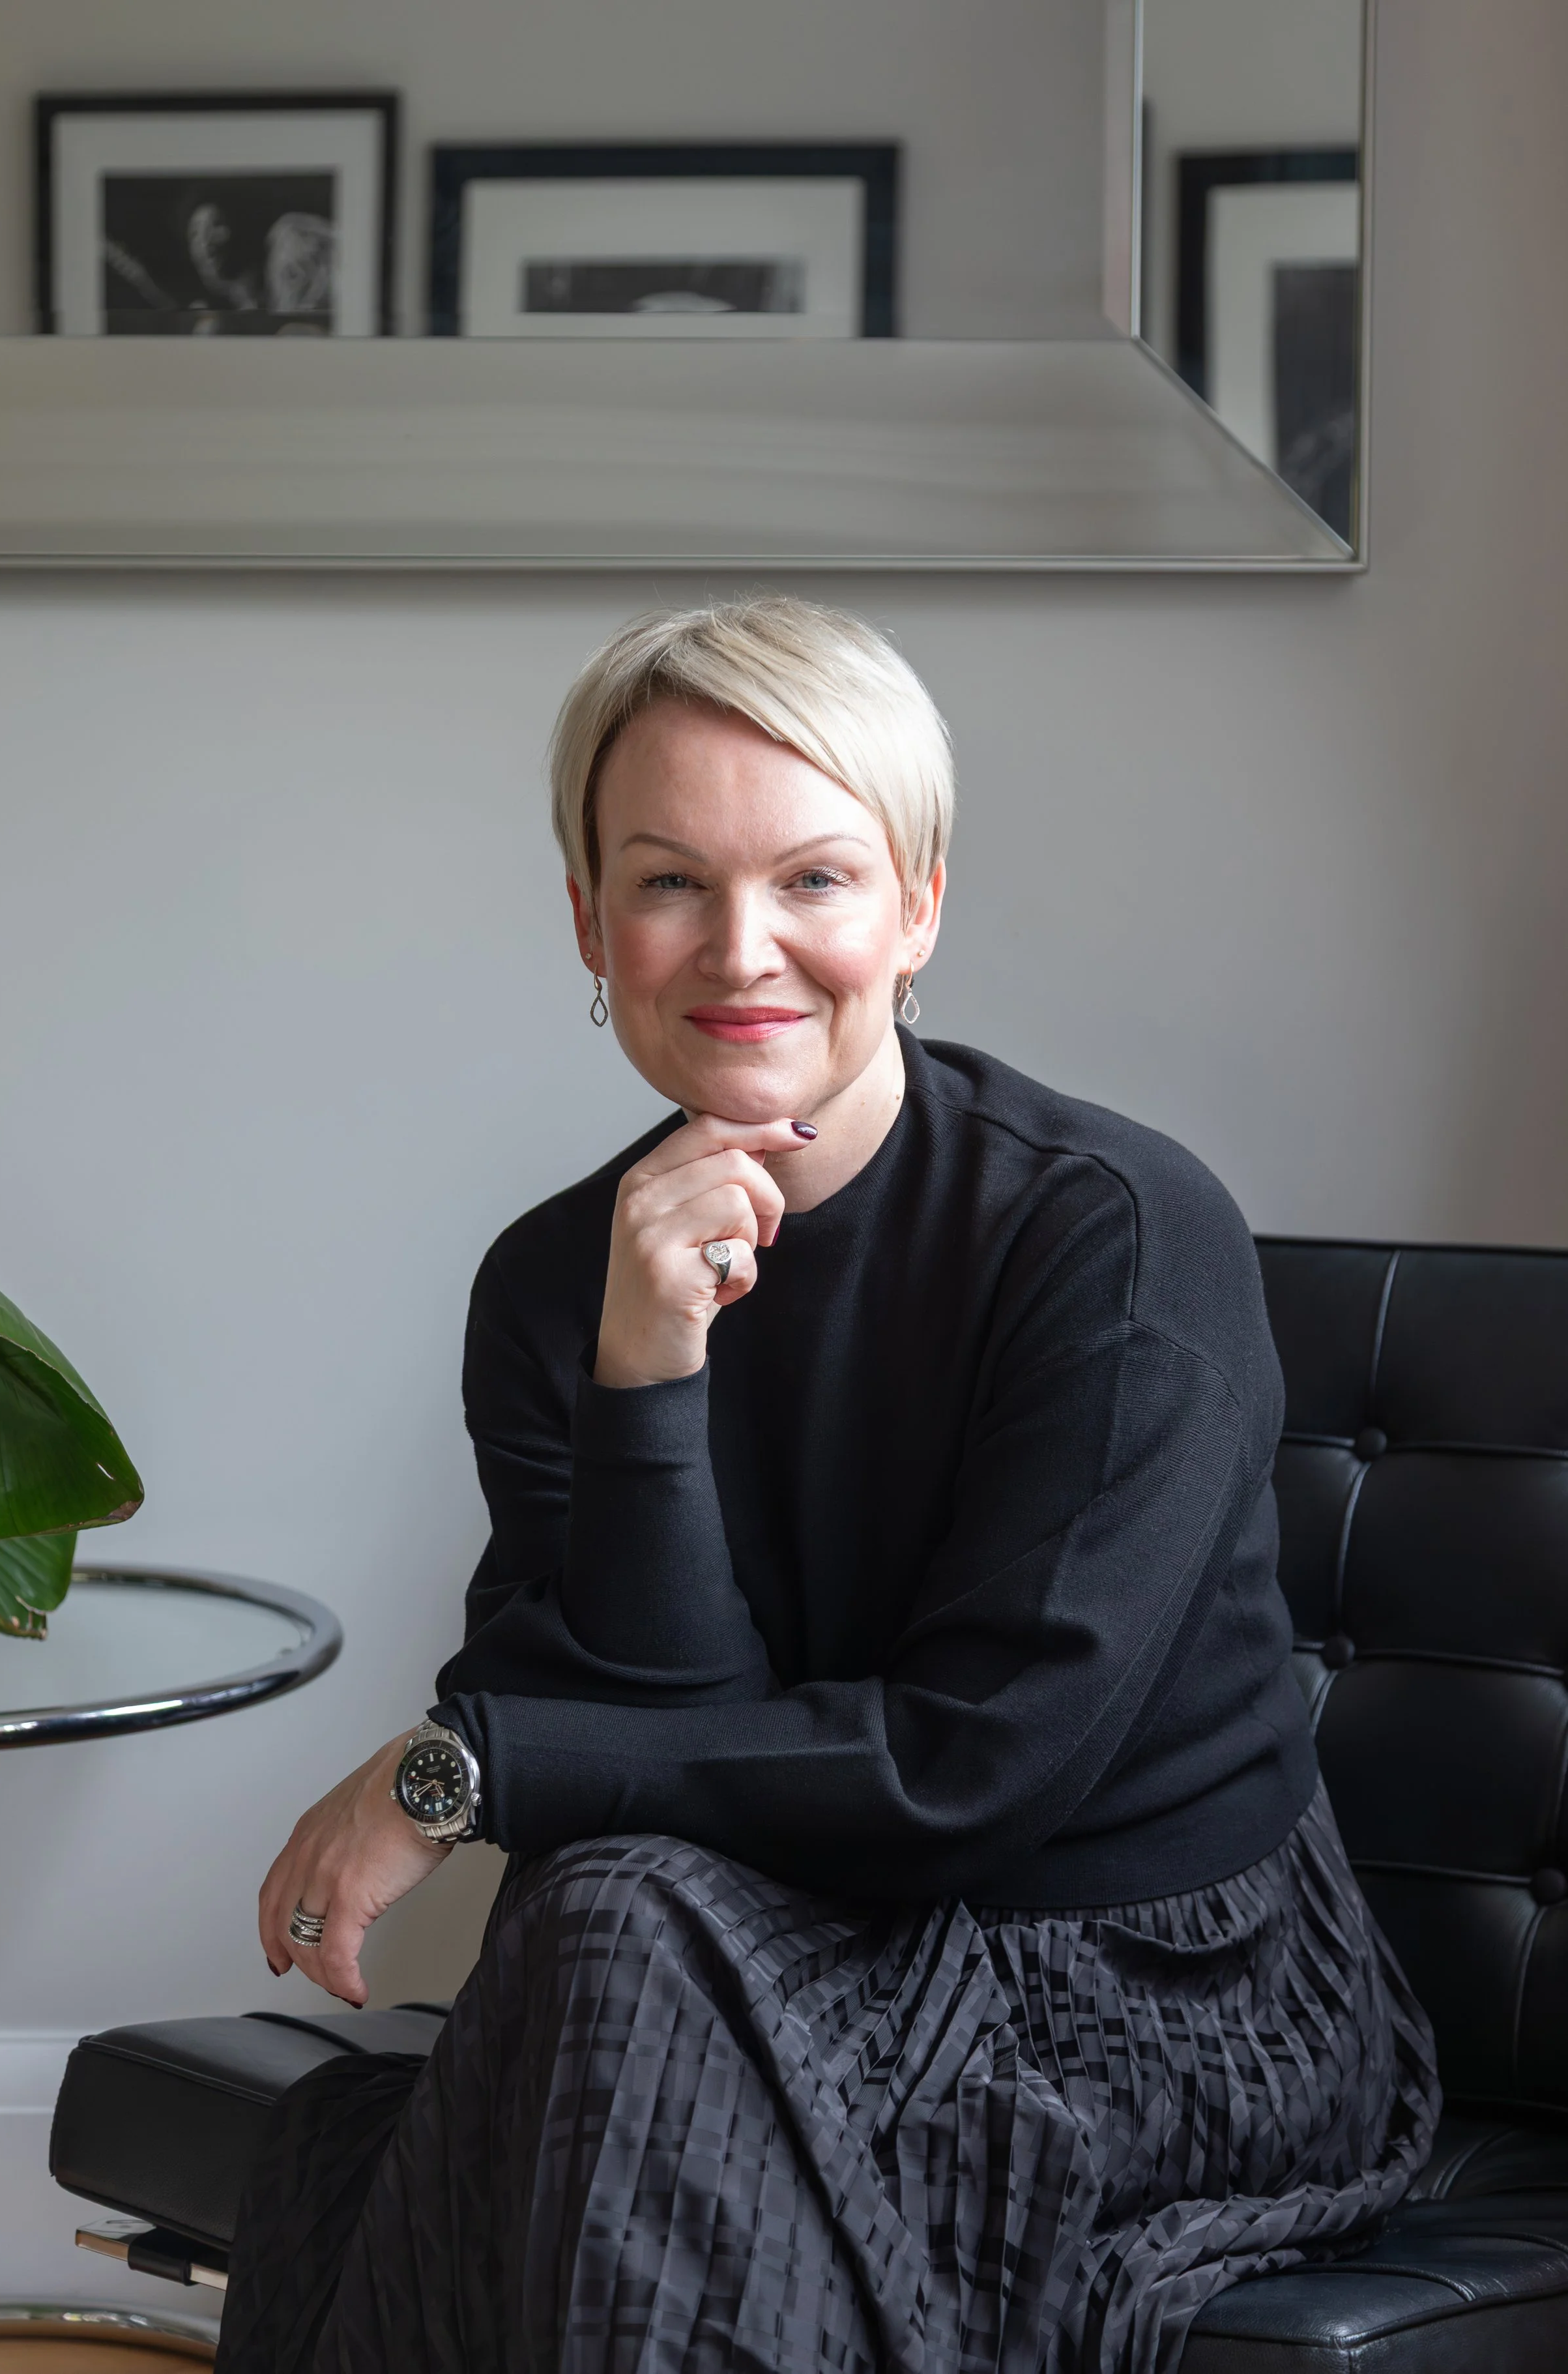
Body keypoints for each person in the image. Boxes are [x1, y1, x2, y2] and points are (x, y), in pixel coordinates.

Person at [220, 596, 1437, 2374]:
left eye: (813, 879)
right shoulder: (564, 1279)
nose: (742, 951)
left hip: (1141, 1982)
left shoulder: (1112, 1232)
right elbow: (657, 1733)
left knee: (607, 1955)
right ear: (587, 920)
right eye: (665, 883)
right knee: (610, 1920)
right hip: (760, 1938)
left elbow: (973, 1773)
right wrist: (649, 1367)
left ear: (916, 904)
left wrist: (469, 1762)